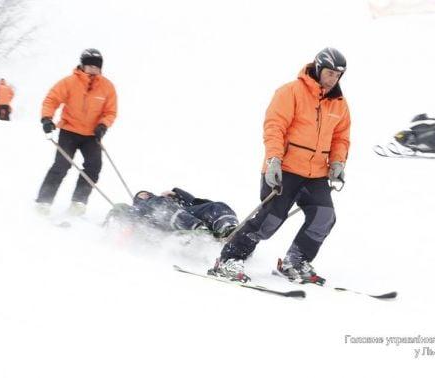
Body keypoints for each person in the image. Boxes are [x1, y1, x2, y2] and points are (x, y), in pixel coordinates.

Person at [209, 47, 351, 284]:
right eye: (329, 73)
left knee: (324, 216)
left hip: (316, 173)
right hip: (284, 169)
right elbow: (275, 127)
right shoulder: (291, 92)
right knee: (270, 220)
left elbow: (341, 137)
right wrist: (274, 159)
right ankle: (229, 259)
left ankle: (295, 261)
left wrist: (338, 161)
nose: (332, 79)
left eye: (337, 75)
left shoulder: (339, 104)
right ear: (318, 68)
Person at [35, 48, 117, 216]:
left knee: (94, 167)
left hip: (92, 135)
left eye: (97, 67)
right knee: (61, 165)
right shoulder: (69, 82)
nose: (93, 70)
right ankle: (43, 201)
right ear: (82, 66)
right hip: (69, 131)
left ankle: (79, 201)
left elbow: (110, 111)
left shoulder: (107, 87)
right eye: (90, 66)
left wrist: (103, 125)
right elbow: (52, 99)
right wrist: (47, 119)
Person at [106, 188, 239, 238]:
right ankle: (197, 229)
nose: (145, 195)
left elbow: (194, 202)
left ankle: (228, 228)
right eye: (141, 196)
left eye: (147, 193)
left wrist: (177, 193)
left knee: (216, 205)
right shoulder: (142, 209)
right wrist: (119, 208)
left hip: (184, 213)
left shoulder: (172, 201)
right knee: (161, 205)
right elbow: (124, 212)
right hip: (162, 221)